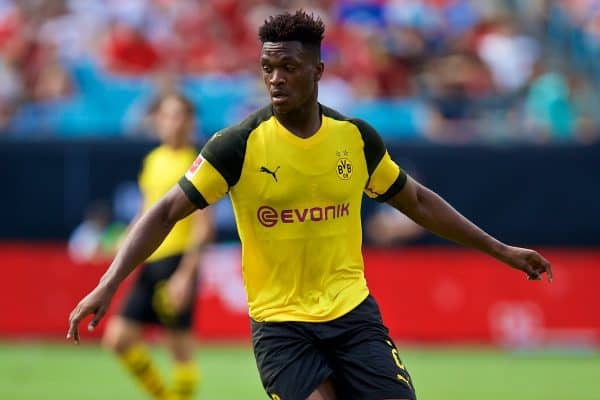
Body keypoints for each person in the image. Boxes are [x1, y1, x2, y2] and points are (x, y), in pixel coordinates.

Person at [68, 11, 552, 400]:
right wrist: (108, 283)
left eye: (289, 68)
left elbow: (418, 201)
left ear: (318, 71)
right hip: (281, 327)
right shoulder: (235, 146)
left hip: (353, 318)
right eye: (267, 68)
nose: (275, 79)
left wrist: (501, 250)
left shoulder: (355, 139)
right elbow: (165, 211)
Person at [100, 92, 213, 400]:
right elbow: (147, 210)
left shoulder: (199, 163)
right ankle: (165, 397)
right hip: (150, 261)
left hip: (176, 261)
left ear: (190, 122)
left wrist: (186, 275)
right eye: (166, 115)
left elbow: (204, 227)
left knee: (178, 346)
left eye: (179, 116)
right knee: (118, 339)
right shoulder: (153, 160)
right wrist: (127, 241)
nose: (171, 122)